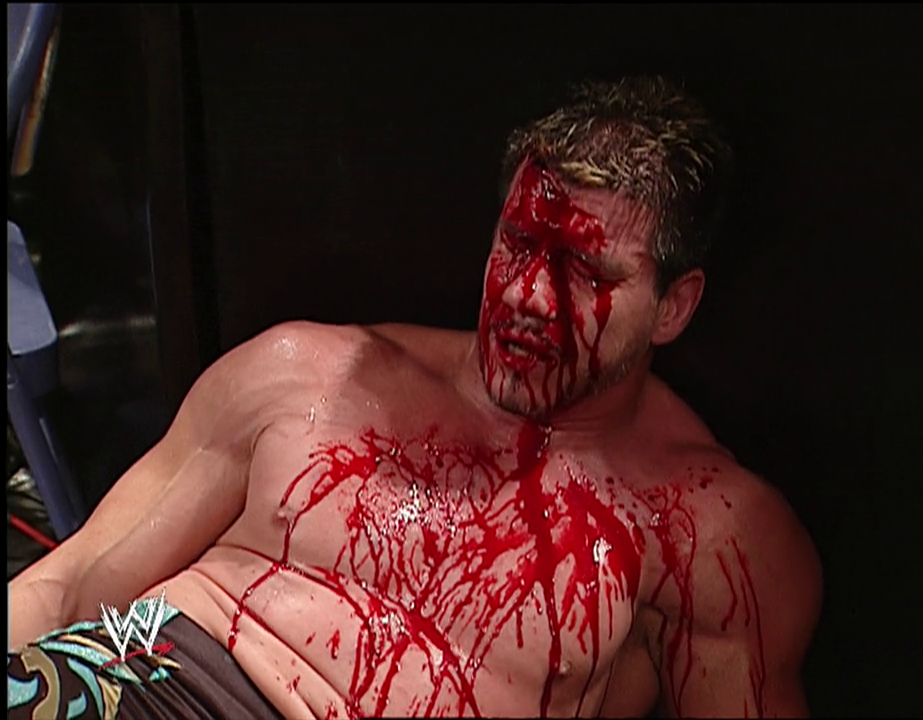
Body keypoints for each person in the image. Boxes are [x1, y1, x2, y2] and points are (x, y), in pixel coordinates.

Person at [8, 76, 821, 719]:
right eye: (518, 243)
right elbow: (68, 586)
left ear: (674, 306)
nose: (529, 295)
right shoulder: (307, 373)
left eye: (587, 273)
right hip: (150, 681)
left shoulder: (706, 533)